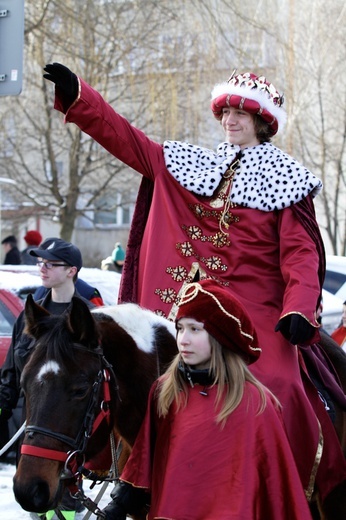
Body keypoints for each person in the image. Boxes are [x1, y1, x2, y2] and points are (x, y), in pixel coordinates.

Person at [43, 65, 346, 508]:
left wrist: (299, 308)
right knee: (144, 384)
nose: (230, 121)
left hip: (259, 312)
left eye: (241, 114)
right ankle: (127, 482)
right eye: (225, 112)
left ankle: (287, 493)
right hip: (193, 310)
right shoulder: (195, 162)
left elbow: (301, 255)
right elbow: (132, 143)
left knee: (278, 385)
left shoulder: (288, 179)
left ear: (263, 122)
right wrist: (81, 99)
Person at [99, 279, 312, 520]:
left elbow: (274, 487)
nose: (183, 339)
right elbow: (144, 458)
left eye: (195, 329)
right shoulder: (165, 392)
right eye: (180, 328)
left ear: (221, 337)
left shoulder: (256, 402)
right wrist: (120, 502)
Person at [0, 237, 92, 519]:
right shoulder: (32, 315)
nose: (42, 268)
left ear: (71, 270)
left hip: (68, 437)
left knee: (65, 509)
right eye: (40, 262)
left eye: (51, 264)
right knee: (34, 504)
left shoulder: (88, 317)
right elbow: (11, 376)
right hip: (32, 433)